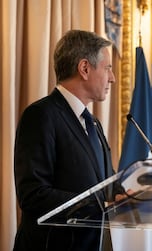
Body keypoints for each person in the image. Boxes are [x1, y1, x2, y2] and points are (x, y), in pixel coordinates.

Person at [13, 30, 124, 251]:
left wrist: (131, 195)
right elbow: (33, 194)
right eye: (108, 68)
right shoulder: (41, 115)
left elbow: (106, 182)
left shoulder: (94, 123)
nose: (112, 77)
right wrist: (101, 205)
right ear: (84, 68)